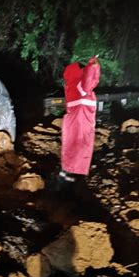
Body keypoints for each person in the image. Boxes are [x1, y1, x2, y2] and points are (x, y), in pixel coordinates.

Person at [57, 56, 101, 188]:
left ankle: (66, 171)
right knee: (81, 145)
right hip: (82, 119)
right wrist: (93, 64)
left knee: (70, 144)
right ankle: (74, 175)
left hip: (73, 118)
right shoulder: (80, 83)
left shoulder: (70, 84)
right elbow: (89, 79)